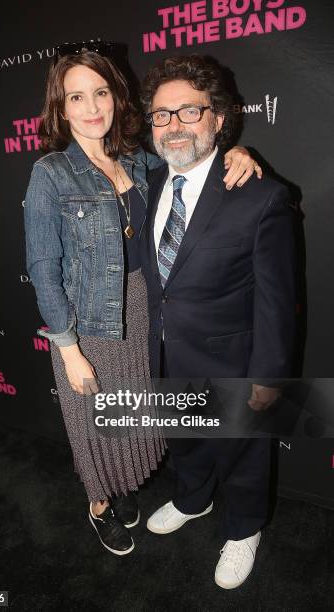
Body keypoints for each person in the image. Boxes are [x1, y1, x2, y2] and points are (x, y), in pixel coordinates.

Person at [24, 41, 261, 556]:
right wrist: (68, 350)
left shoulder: (140, 159)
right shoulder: (50, 174)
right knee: (93, 427)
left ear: (116, 96)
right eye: (76, 98)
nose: (92, 108)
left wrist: (238, 152)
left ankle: (123, 488)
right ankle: (99, 506)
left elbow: (195, 158)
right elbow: (43, 270)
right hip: (87, 326)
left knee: (128, 420)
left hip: (145, 313)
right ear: (60, 109)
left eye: (101, 92)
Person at [139, 54, 296, 587]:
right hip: (166, 352)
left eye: (189, 112)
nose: (173, 126)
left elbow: (278, 300)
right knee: (184, 441)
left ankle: (245, 527)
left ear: (220, 118)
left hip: (233, 360)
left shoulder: (261, 197)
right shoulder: (148, 183)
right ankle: (191, 500)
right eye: (161, 115)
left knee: (242, 451)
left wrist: (269, 378)